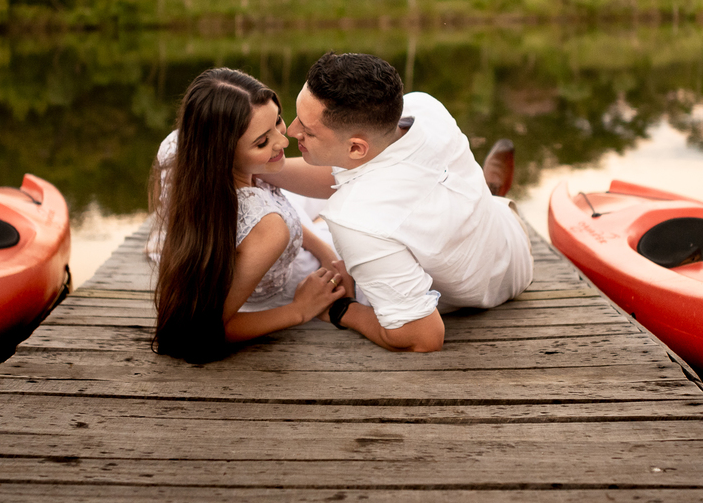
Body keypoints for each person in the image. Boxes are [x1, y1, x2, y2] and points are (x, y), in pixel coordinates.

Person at [279, 51, 532, 353]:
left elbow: (423, 336)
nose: (290, 131)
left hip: (494, 290)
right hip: (510, 236)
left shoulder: (357, 221)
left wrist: (340, 310)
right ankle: (487, 191)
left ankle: (488, 191)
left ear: (357, 148)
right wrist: (263, 168)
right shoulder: (423, 107)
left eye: (306, 130)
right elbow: (345, 166)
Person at [150, 68, 350, 363]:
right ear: (222, 154)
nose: (284, 141)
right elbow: (196, 333)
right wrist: (300, 310)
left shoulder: (179, 146)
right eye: (261, 143)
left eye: (278, 120)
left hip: (261, 232)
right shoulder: (268, 228)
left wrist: (324, 251)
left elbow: (274, 208)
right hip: (274, 283)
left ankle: (324, 226)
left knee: (344, 185)